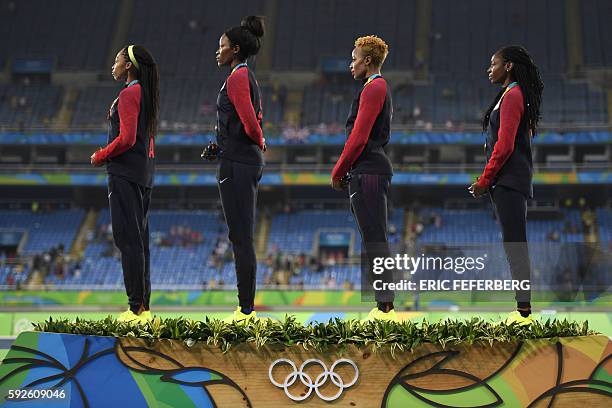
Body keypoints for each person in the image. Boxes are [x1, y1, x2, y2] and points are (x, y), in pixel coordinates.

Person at [468, 45, 543, 325]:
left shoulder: (513, 96)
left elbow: (505, 144)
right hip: (508, 181)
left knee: (515, 244)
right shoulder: (508, 96)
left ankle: (524, 312)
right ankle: (522, 308)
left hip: (509, 180)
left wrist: (484, 180)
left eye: (493, 63)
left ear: (509, 66)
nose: (490, 69)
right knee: (513, 243)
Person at [91, 44, 159, 324]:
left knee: (128, 240)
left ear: (129, 65)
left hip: (125, 174)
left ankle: (135, 309)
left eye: (117, 59)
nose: (113, 64)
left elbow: (128, 138)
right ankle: (143, 307)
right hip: (141, 174)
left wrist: (100, 155)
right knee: (138, 241)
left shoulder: (130, 92)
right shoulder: (145, 93)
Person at [331, 35, 397, 321]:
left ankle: (385, 308)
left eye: (354, 58)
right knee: (373, 238)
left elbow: (359, 137)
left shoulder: (375, 87)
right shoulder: (374, 88)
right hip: (368, 169)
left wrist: (338, 170)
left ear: (367, 61)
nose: (351, 64)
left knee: (375, 239)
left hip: (368, 169)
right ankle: (383, 305)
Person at [212, 16, 266, 323]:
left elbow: (249, 122)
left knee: (241, 236)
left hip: (239, 163)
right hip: (241, 158)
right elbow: (244, 123)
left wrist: (259, 139)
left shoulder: (237, 77)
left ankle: (245, 310)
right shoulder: (246, 77)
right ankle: (245, 306)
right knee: (240, 235)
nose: (217, 51)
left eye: (221, 47)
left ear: (234, 49)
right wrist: (219, 146)